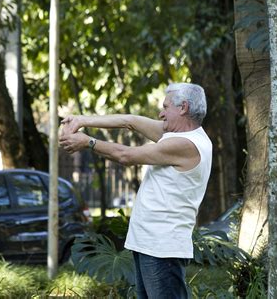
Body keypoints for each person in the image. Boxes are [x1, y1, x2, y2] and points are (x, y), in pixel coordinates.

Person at [60, 82, 212, 299]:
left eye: (165, 107)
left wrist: (88, 142)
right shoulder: (173, 134)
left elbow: (126, 156)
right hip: (148, 243)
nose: (160, 113)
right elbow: (129, 121)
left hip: (162, 247)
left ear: (183, 108)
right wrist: (82, 120)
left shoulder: (187, 144)